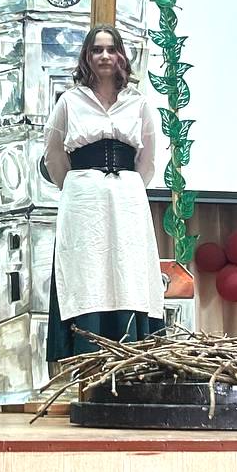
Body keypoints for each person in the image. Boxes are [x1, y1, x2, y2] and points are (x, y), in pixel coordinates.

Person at [43, 25, 163, 361]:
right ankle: (86, 351)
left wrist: (126, 188)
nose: (105, 56)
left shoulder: (138, 103)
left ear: (122, 55)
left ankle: (131, 355)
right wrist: (80, 186)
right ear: (87, 56)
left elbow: (148, 159)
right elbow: (54, 155)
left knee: (128, 267)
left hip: (126, 199)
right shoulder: (70, 101)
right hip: (84, 199)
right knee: (87, 270)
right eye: (97, 50)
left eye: (111, 49)